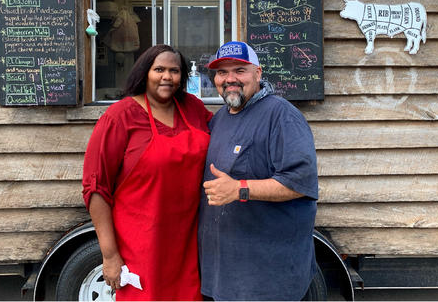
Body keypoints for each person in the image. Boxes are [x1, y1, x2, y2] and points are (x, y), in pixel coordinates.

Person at [82, 44, 212, 301]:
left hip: (187, 241)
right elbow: (96, 188)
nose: (167, 77)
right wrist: (109, 255)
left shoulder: (192, 108)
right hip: (141, 243)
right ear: (144, 73)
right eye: (159, 69)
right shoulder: (120, 117)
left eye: (174, 71)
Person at [198, 41, 319, 301]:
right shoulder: (220, 118)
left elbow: (299, 182)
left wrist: (240, 189)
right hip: (225, 271)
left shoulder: (282, 116)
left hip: (268, 277)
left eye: (239, 70)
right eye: (222, 72)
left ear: (258, 73)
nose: (230, 79)